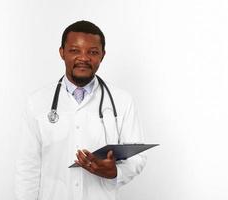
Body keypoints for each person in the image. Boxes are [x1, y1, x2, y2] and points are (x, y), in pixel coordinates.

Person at [15, 20, 147, 200]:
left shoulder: (122, 101)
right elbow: (27, 167)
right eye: (74, 50)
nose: (84, 58)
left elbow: (137, 159)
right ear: (62, 53)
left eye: (92, 52)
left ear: (102, 55)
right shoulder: (37, 102)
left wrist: (116, 172)